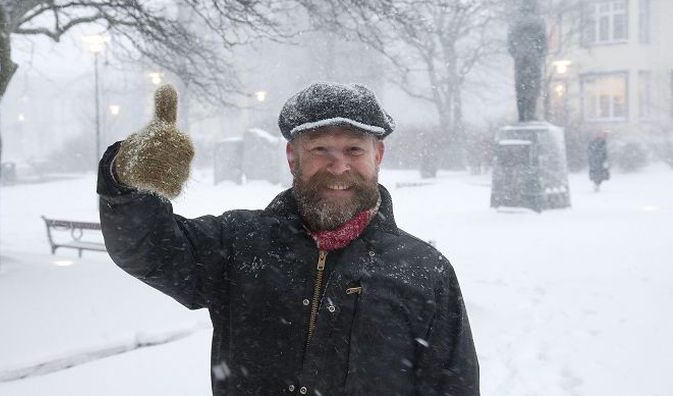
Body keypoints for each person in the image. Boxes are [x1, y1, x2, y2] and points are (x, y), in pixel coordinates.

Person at [97, 82, 479, 395]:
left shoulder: (423, 271)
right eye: (319, 150)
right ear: (292, 157)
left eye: (354, 150)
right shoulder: (239, 244)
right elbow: (147, 250)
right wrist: (125, 176)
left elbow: (454, 386)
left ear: (378, 155)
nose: (339, 165)